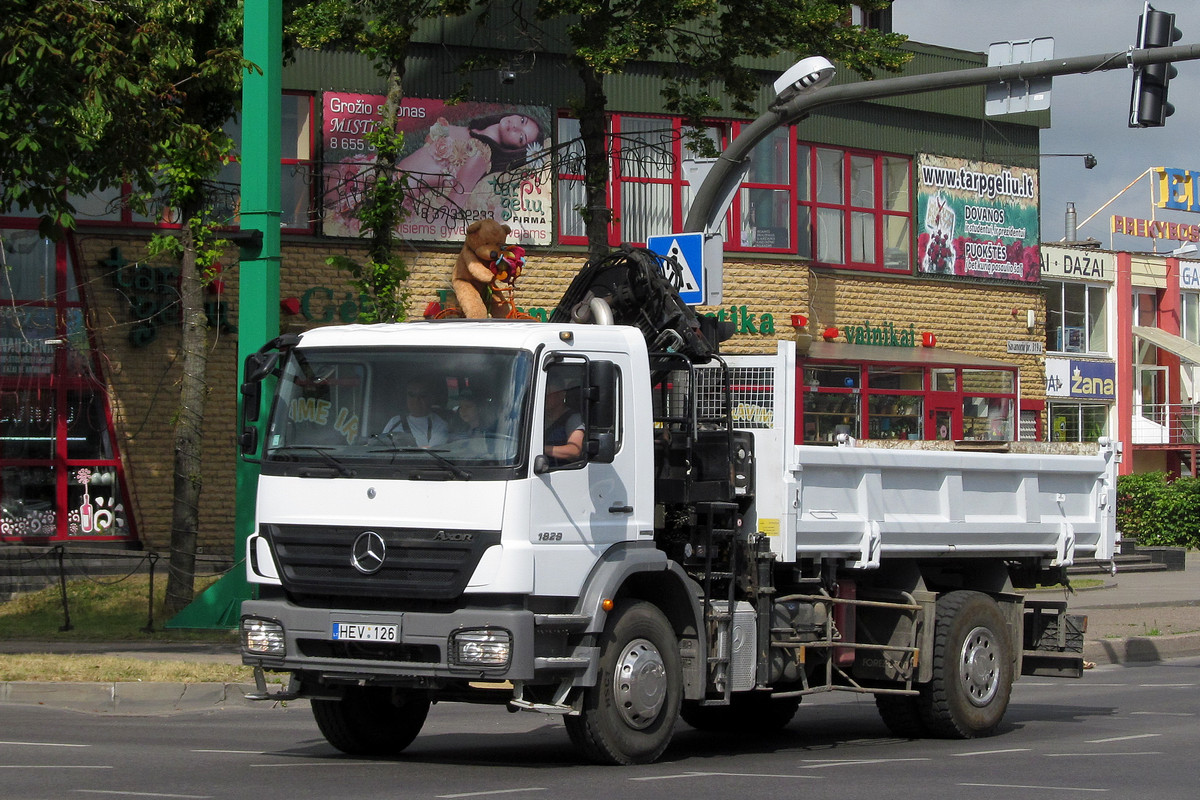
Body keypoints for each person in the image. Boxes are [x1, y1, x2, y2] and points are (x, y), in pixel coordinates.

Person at [397, 113, 544, 209]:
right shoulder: (472, 132)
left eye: (520, 137)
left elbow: (453, 207)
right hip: (388, 181)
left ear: (515, 150)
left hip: (395, 196)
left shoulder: (479, 154)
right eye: (522, 120)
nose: (515, 126)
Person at [380, 377, 451, 448]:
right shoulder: (394, 421)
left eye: (422, 395)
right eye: (411, 394)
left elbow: (432, 454)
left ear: (431, 399)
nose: (416, 399)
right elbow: (381, 446)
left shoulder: (439, 425)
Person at [543, 371, 585, 462]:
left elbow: (574, 450)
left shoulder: (573, 418)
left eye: (549, 393)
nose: (545, 397)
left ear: (561, 394)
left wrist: (541, 449)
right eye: (543, 394)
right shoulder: (538, 418)